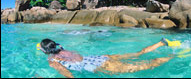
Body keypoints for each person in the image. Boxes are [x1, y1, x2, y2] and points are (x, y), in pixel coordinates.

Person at [36, 38, 181, 78]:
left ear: (45, 51)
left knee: (145, 65)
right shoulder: (63, 48)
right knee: (138, 54)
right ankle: (162, 43)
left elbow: (70, 76)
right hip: (100, 57)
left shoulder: (52, 61)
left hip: (102, 66)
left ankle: (176, 55)